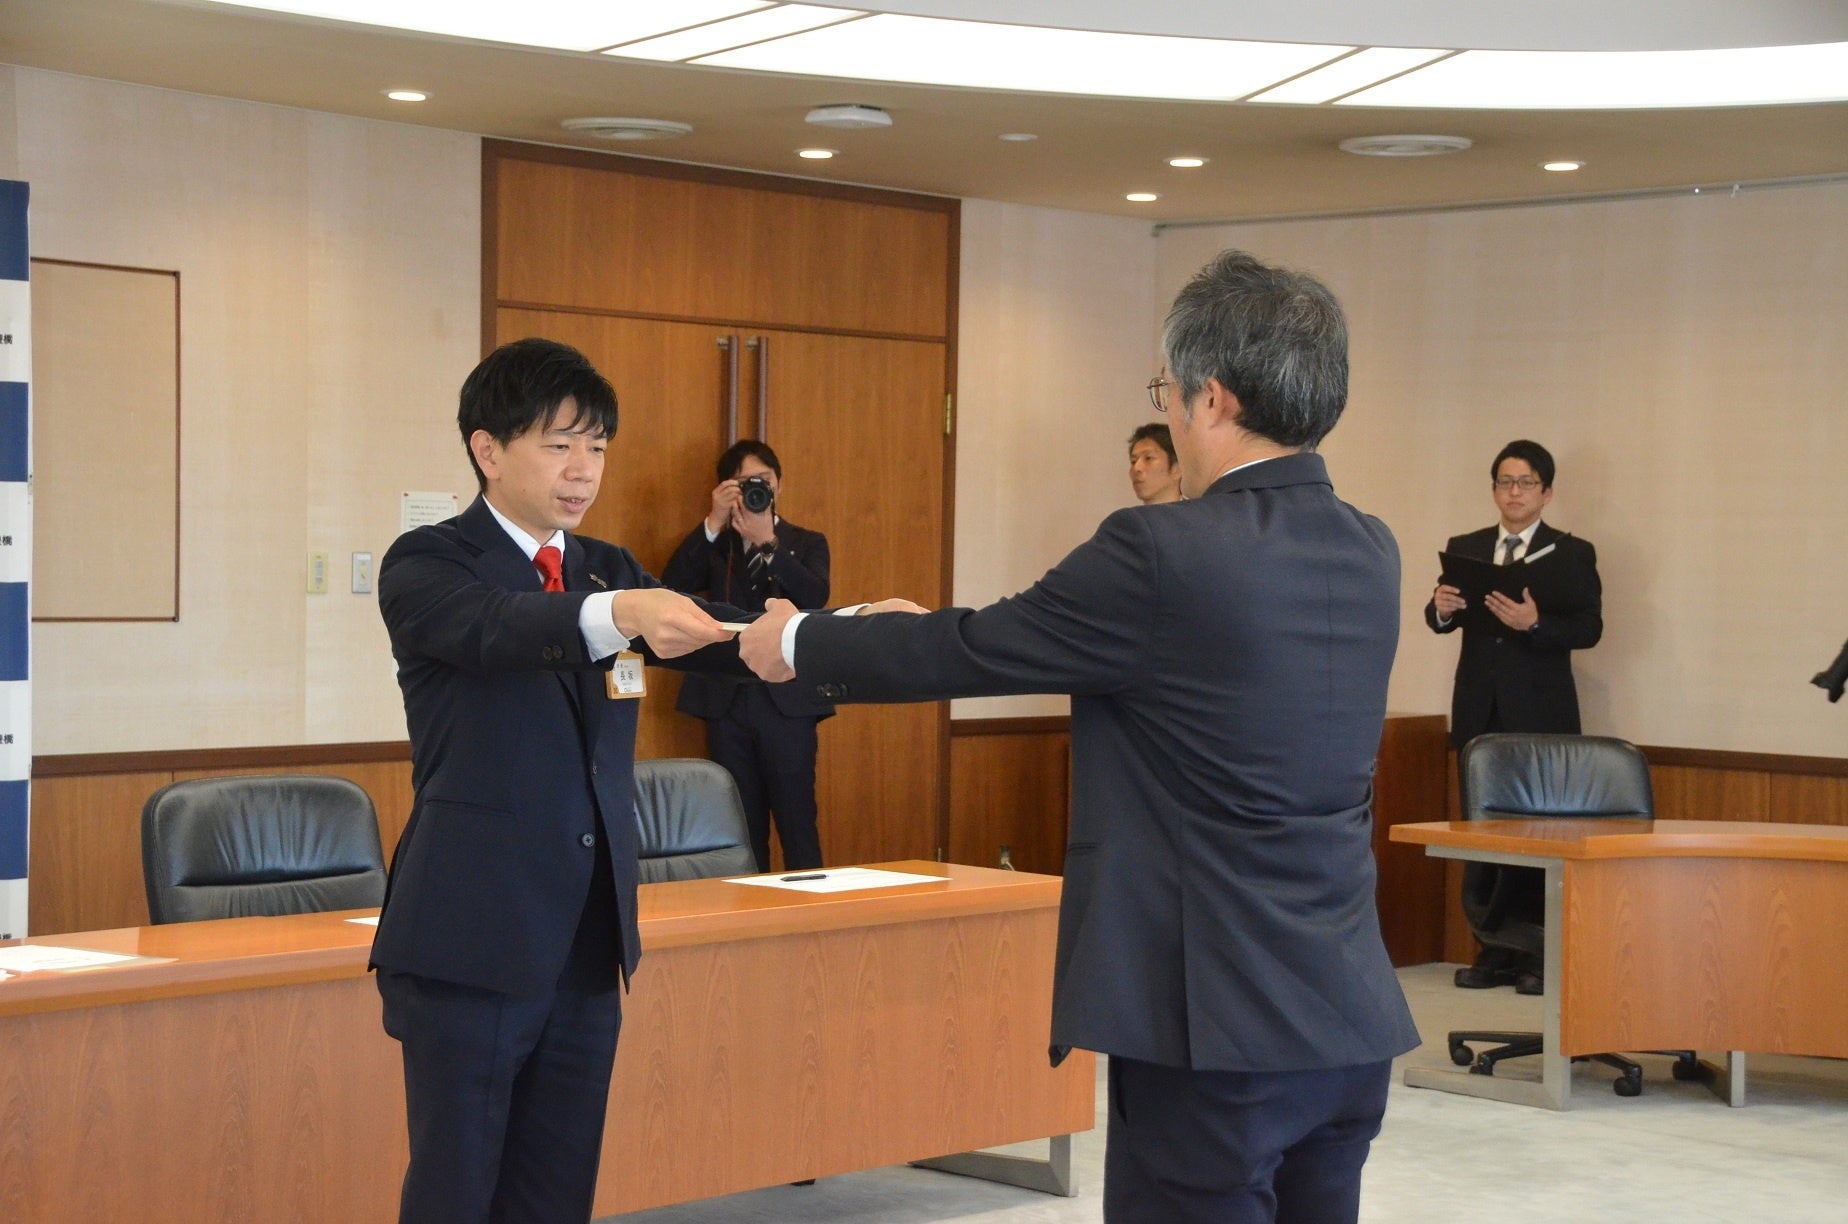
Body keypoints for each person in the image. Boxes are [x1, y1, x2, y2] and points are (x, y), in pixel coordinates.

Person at [740, 250, 1418, 1224]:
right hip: (1347, 1018)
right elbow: (1181, 674)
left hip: (1212, 1027)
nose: (1169, 416)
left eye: (1166, 394)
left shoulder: (1161, 549)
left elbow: (977, 650)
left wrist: (801, 639)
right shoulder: (1370, 547)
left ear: (1213, 398)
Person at [372, 337, 743, 1224]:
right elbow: (501, 628)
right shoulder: (429, 563)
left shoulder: (606, 567)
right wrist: (621, 612)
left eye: (598, 446)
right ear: (488, 450)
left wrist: (842, 631)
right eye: (560, 444)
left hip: (586, 939)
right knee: (458, 1193)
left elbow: (715, 629)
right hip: (472, 939)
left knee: (555, 1194)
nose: (585, 470)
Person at [1425, 439, 1602, 994]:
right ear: (1494, 489)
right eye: (1505, 482)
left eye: (1526, 483)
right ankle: (1493, 949)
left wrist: (1536, 624)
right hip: (1480, 710)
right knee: (1484, 832)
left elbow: (1590, 629)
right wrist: (1440, 610)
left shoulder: (1571, 553)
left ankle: (1539, 954)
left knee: (1538, 834)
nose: (1514, 492)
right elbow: (1439, 617)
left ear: (1546, 493)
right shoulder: (1468, 548)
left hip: (1542, 715)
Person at [661, 440, 833, 871]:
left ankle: (810, 910)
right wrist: (712, 522)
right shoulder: (717, 546)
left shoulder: (806, 542)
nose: (756, 489)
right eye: (743, 483)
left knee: (798, 821)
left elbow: (815, 595)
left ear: (779, 485)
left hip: (788, 700)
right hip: (728, 699)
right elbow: (671, 585)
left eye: (763, 481)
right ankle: (750, 908)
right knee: (740, 826)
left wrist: (767, 543)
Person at [1127, 421, 1184, 504]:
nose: (1136, 468)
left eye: (1148, 458)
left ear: (1177, 468)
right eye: (1133, 461)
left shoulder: (1197, 511)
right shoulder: (1125, 513)